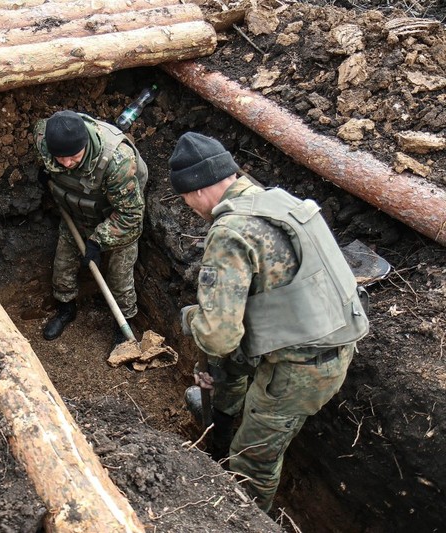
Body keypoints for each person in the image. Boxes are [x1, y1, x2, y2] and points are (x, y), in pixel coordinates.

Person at [170, 132, 369, 512]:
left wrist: (191, 317)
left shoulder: (230, 232)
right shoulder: (279, 201)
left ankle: (242, 516)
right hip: (326, 329)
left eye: (184, 199)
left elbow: (217, 339)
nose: (188, 207)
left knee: (251, 460)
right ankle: (221, 423)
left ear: (196, 192)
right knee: (232, 366)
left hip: (304, 366)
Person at [33, 110, 147, 347]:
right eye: (59, 158)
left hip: (118, 218)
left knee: (119, 278)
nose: (65, 163)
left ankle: (123, 325)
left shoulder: (117, 161)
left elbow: (131, 215)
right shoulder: (44, 137)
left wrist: (97, 242)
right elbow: (48, 156)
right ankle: (66, 308)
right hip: (76, 213)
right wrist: (47, 174)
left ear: (85, 143)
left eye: (73, 157)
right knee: (62, 267)